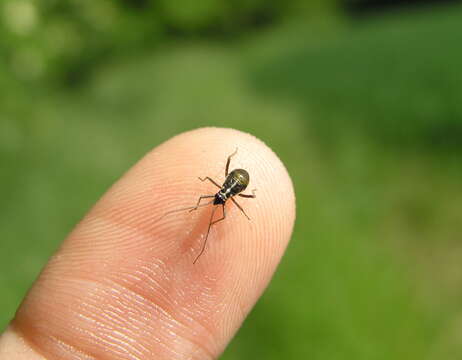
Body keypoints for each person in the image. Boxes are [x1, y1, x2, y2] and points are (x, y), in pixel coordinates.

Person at [0, 128, 295, 359]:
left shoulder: (231, 198)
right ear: (223, 191)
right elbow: (210, 190)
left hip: (242, 180)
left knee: (219, 215)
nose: (218, 199)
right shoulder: (216, 195)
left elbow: (229, 200)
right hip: (237, 178)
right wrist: (195, 208)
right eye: (220, 196)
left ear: (226, 194)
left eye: (221, 197)